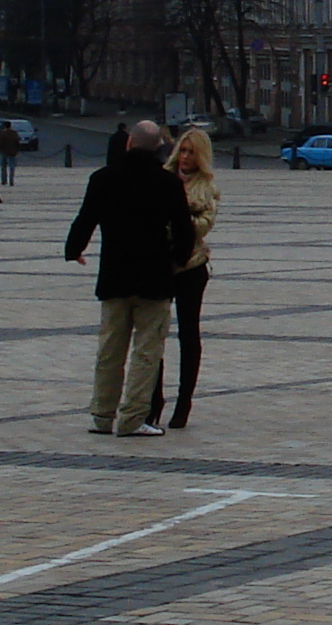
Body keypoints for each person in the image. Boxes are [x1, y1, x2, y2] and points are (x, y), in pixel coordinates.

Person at [64, 119, 191, 438]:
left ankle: (102, 414)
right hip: (155, 277)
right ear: (159, 148)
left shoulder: (103, 178)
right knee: (147, 352)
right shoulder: (168, 184)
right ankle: (133, 418)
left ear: (128, 144)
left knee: (110, 349)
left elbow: (86, 218)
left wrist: (74, 249)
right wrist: (179, 260)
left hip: (114, 275)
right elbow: (183, 230)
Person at [149, 125, 223, 429]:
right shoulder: (162, 178)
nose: (185, 157)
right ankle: (153, 398)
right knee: (153, 334)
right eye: (182, 150)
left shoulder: (206, 187)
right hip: (160, 265)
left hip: (192, 266)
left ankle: (184, 400)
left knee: (189, 334)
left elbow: (203, 224)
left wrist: (176, 221)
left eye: (192, 152)